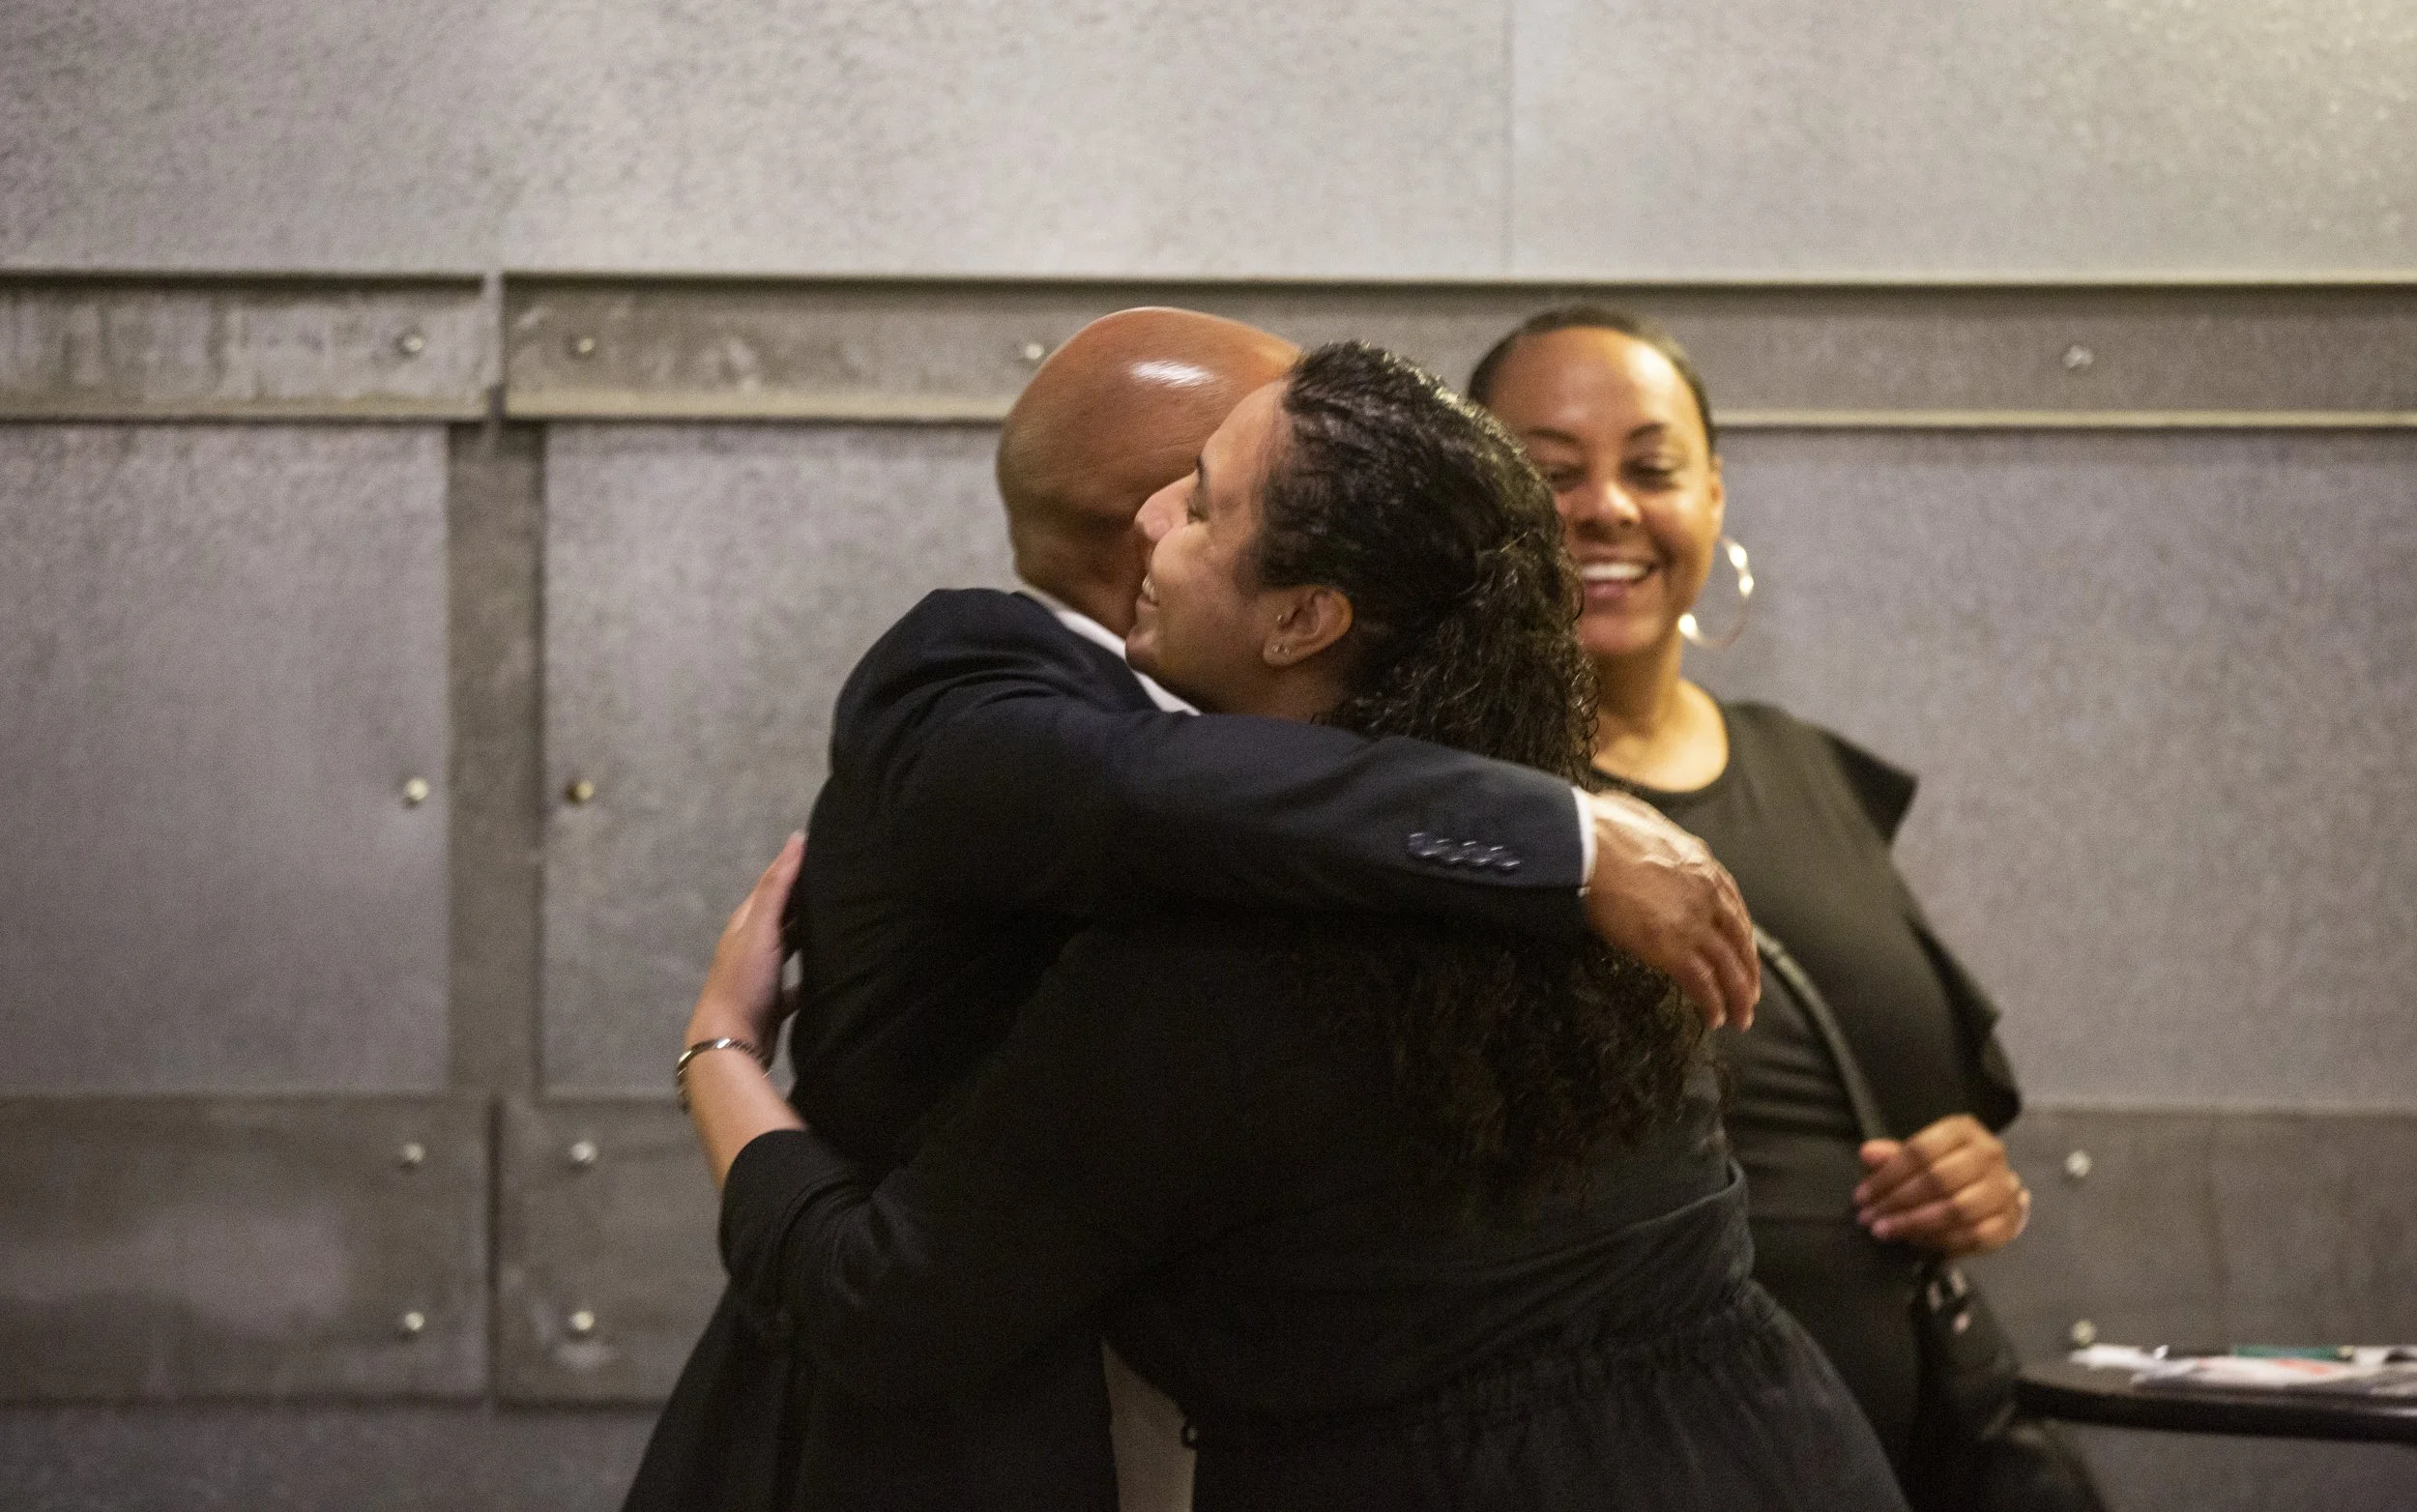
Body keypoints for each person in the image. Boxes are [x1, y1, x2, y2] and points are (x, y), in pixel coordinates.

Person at [676, 342, 1907, 1511]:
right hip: (1770, 1448)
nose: (1153, 525)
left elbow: (884, 1303)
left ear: (1303, 617)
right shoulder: (1590, 865)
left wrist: (722, 1052)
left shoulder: (1216, 965)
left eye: (1200, 504)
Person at [1469, 305, 2103, 1510]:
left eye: (1652, 467)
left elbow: (1915, 1099)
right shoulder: (1447, 804)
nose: (1605, 505)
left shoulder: (1812, 771)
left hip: (1894, 1457)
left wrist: (1968, 1179)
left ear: (1712, 497)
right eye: (1548, 474)